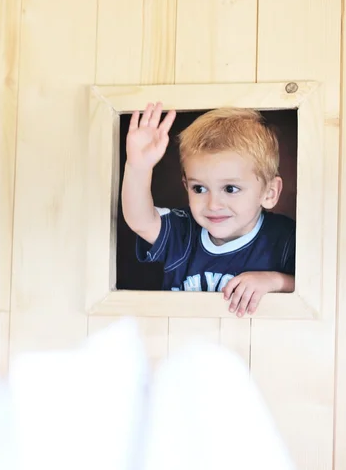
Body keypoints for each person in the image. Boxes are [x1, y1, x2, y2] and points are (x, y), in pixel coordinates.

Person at [121, 102, 295, 317]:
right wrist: (138, 167)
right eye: (199, 188)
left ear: (269, 193)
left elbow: (317, 288)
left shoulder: (285, 238)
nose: (213, 204)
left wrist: (275, 281)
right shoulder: (184, 231)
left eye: (230, 189)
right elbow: (140, 221)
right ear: (186, 186)